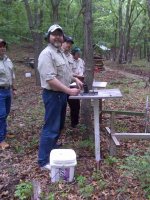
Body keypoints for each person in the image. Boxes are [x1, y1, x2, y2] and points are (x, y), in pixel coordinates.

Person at [38, 24, 83, 170]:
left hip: (61, 95)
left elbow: (65, 72)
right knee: (50, 127)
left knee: (58, 125)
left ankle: (52, 147)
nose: (57, 37)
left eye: (59, 34)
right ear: (48, 36)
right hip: (53, 95)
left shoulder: (60, 53)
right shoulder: (47, 54)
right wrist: (69, 91)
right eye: (54, 34)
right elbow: (50, 79)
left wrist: (74, 79)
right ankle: (44, 161)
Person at [0, 39, 16, 150]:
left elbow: (12, 75)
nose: (2, 48)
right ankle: (1, 140)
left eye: (4, 45)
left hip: (8, 90)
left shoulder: (7, 60)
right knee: (1, 115)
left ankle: (4, 132)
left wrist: (14, 88)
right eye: (0, 46)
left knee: (5, 114)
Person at [67, 47, 85, 128]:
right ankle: (73, 123)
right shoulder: (68, 60)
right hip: (70, 84)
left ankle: (75, 122)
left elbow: (83, 70)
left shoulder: (81, 61)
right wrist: (77, 76)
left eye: (79, 53)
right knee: (73, 104)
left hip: (80, 83)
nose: (79, 55)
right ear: (73, 54)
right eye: (77, 53)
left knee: (77, 105)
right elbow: (68, 73)